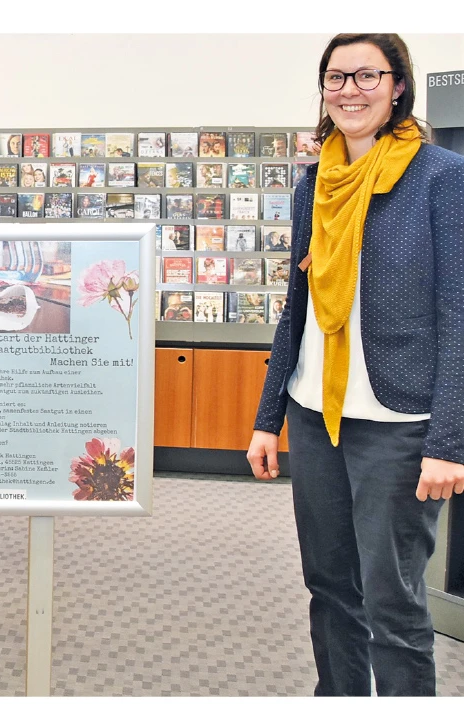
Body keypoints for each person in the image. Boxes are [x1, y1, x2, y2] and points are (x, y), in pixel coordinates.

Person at [247, 34, 464, 696]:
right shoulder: (313, 182)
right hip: (315, 416)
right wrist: (268, 418)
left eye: (367, 76)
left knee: (393, 601)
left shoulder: (441, 177)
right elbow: (297, 308)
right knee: (329, 588)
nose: (350, 90)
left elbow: (458, 313)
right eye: (336, 77)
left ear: (398, 86)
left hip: (398, 425)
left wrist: (448, 443)